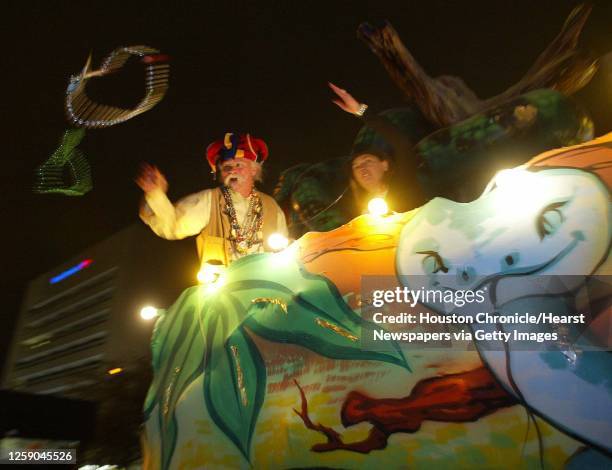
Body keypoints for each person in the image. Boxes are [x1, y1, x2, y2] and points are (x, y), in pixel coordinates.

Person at [137, 132, 288, 268]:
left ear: (254, 170)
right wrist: (156, 194)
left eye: (238, 165)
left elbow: (286, 253)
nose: (232, 170)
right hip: (224, 293)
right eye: (226, 167)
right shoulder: (209, 200)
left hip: (269, 290)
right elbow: (173, 226)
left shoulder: (271, 206)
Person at [329, 82, 427, 215]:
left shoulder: (404, 184)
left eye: (367, 161)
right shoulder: (359, 213)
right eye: (355, 166)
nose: (361, 167)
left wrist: (360, 110)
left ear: (385, 165)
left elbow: (400, 142)